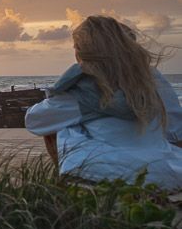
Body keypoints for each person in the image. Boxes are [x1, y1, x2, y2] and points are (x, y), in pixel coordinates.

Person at [25, 16, 182, 187]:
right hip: (167, 170)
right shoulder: (151, 79)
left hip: (109, 172)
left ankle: (66, 183)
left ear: (84, 52)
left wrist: (67, 88)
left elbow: (34, 121)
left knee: (61, 123)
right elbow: (176, 130)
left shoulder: (84, 90)